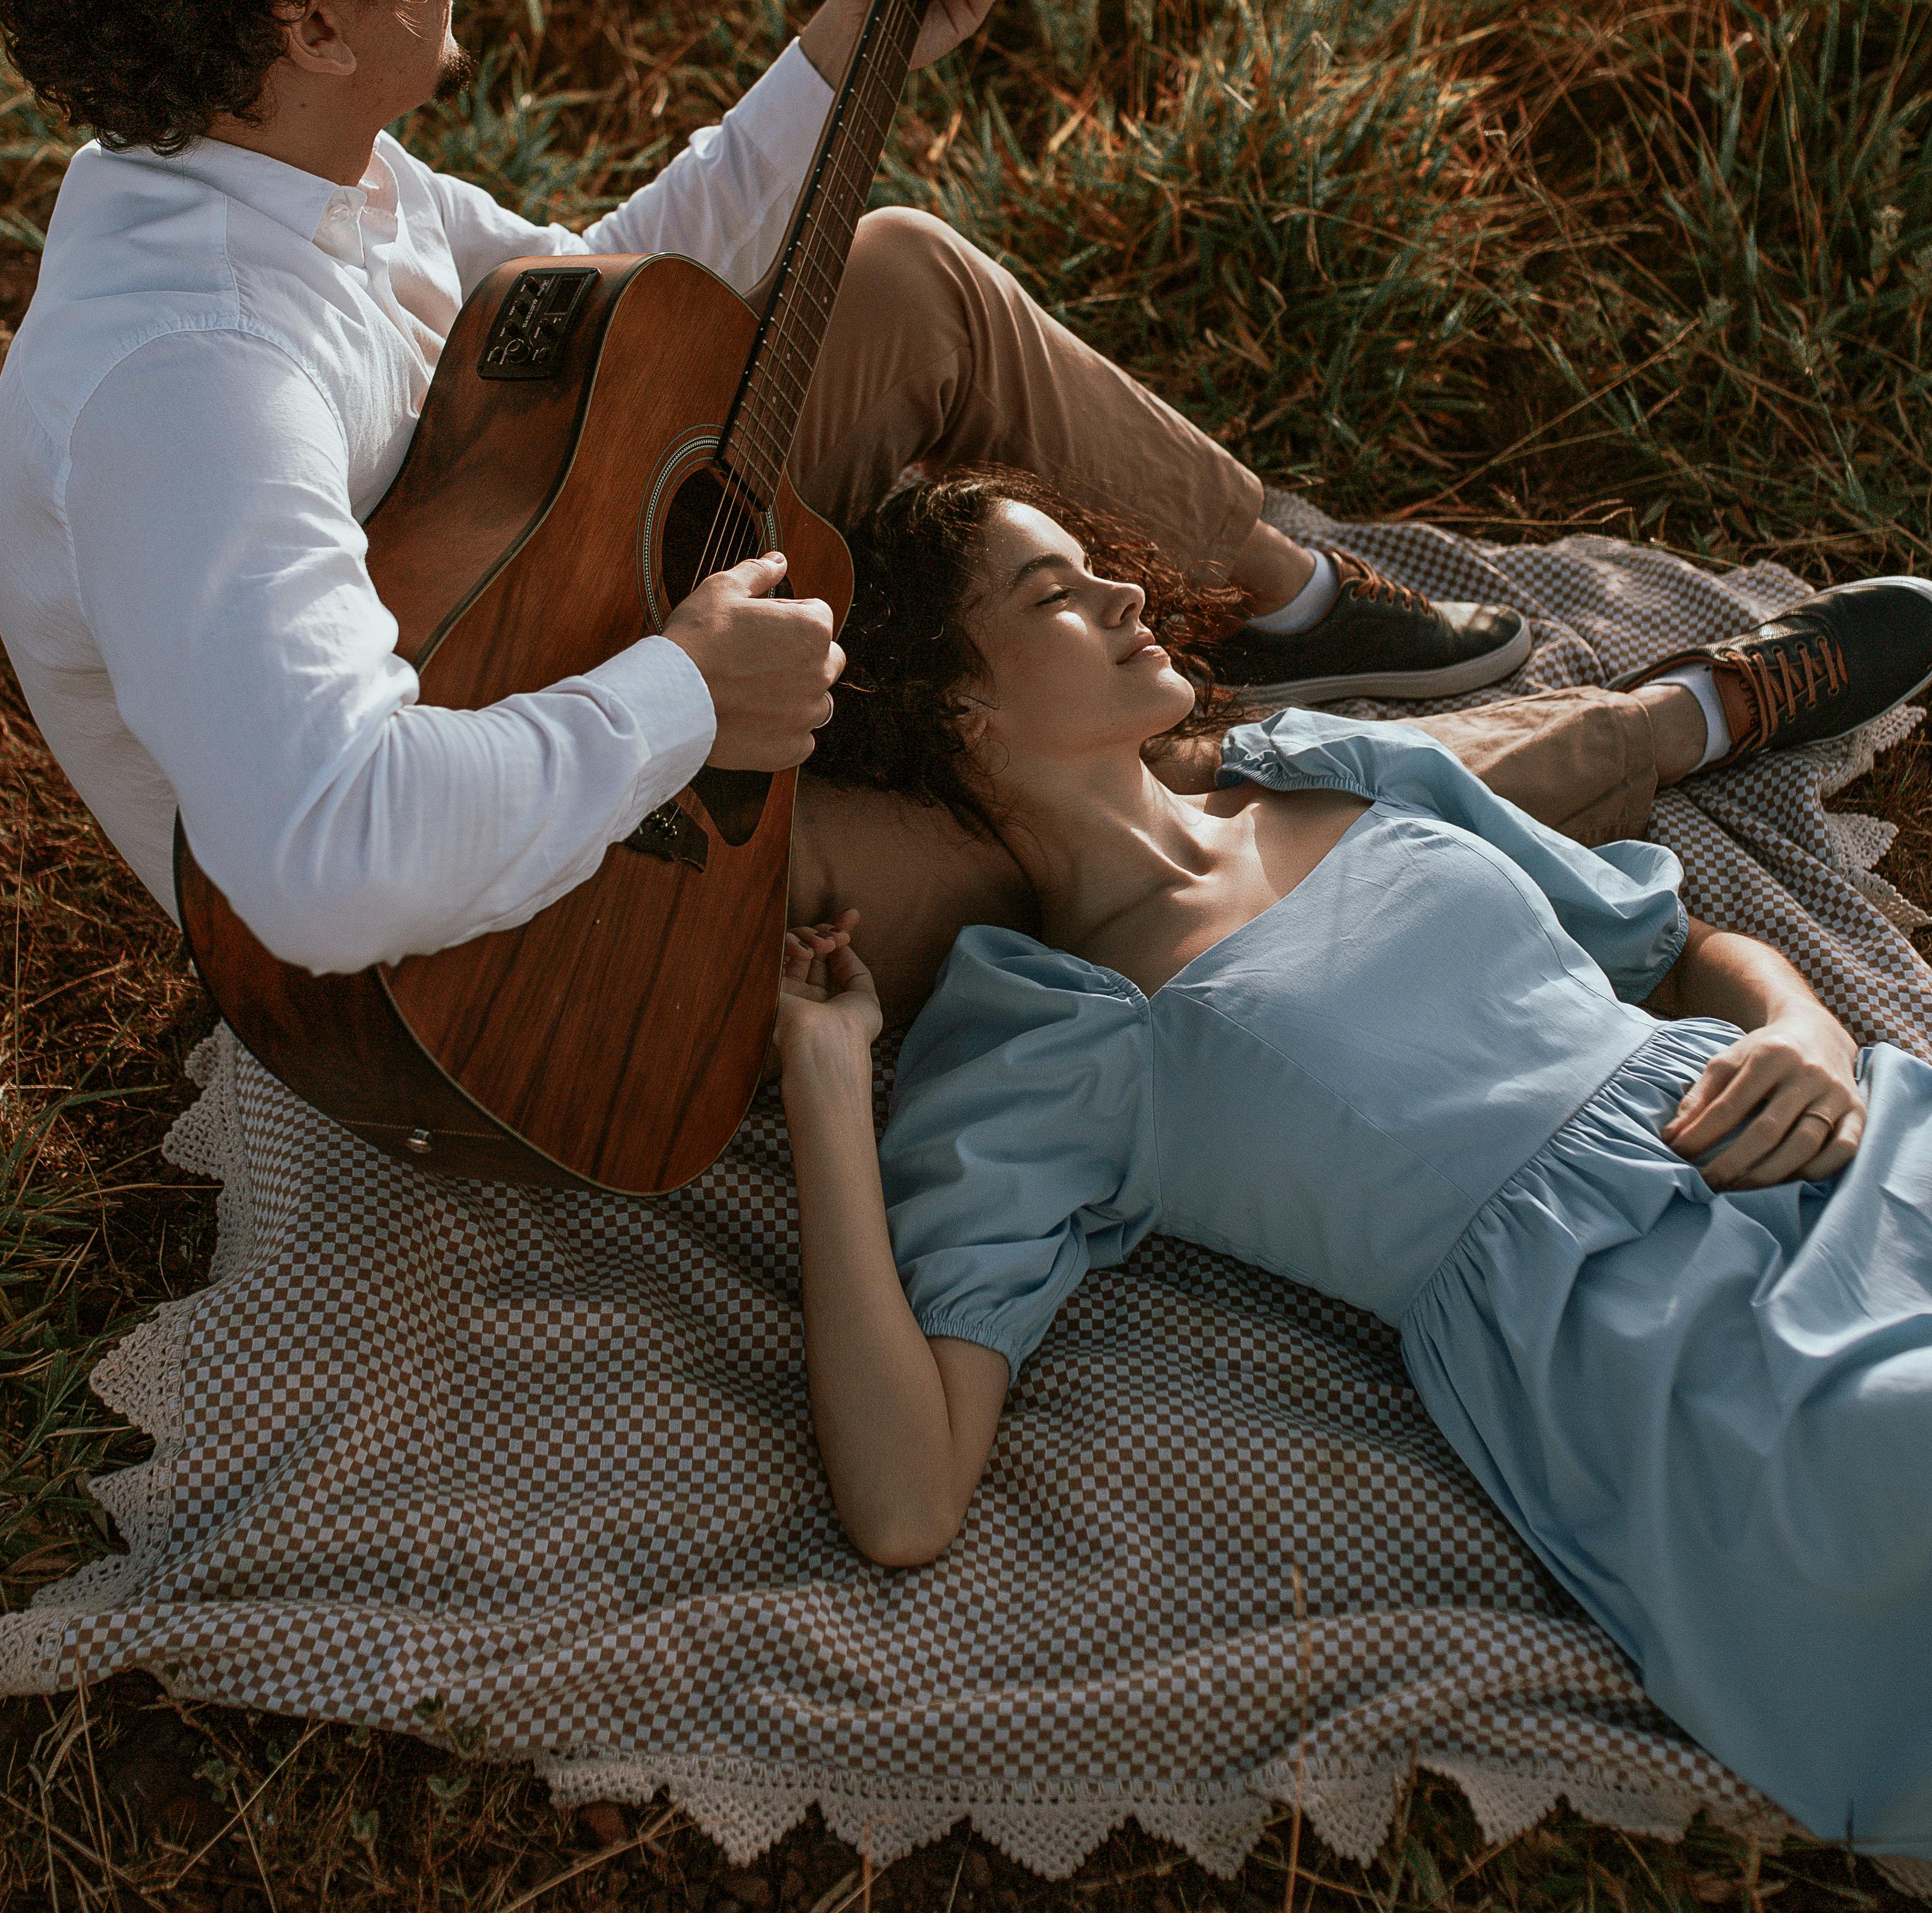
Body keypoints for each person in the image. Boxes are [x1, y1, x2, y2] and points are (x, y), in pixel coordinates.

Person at [0, 0, 1930, 993]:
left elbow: (601, 307)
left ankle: (1291, 600)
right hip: (480, 946)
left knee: (887, 270)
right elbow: (321, 861)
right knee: (1112, 847)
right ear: (304, 17)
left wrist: (839, 41)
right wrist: (680, 698)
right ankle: (1649, 724)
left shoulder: (277, 163)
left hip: (518, 641)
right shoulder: (194, 377)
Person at [772, 470, 1932, 1855]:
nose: (1127, 594)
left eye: (1097, 567)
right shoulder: (1049, 1032)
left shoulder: (1339, 766)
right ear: (961, 708)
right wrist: (831, 1081)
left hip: (1824, 1144)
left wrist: (1800, 1024)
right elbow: (905, 1499)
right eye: (1057, 596)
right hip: (1653, 1331)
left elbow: (1670, 951)